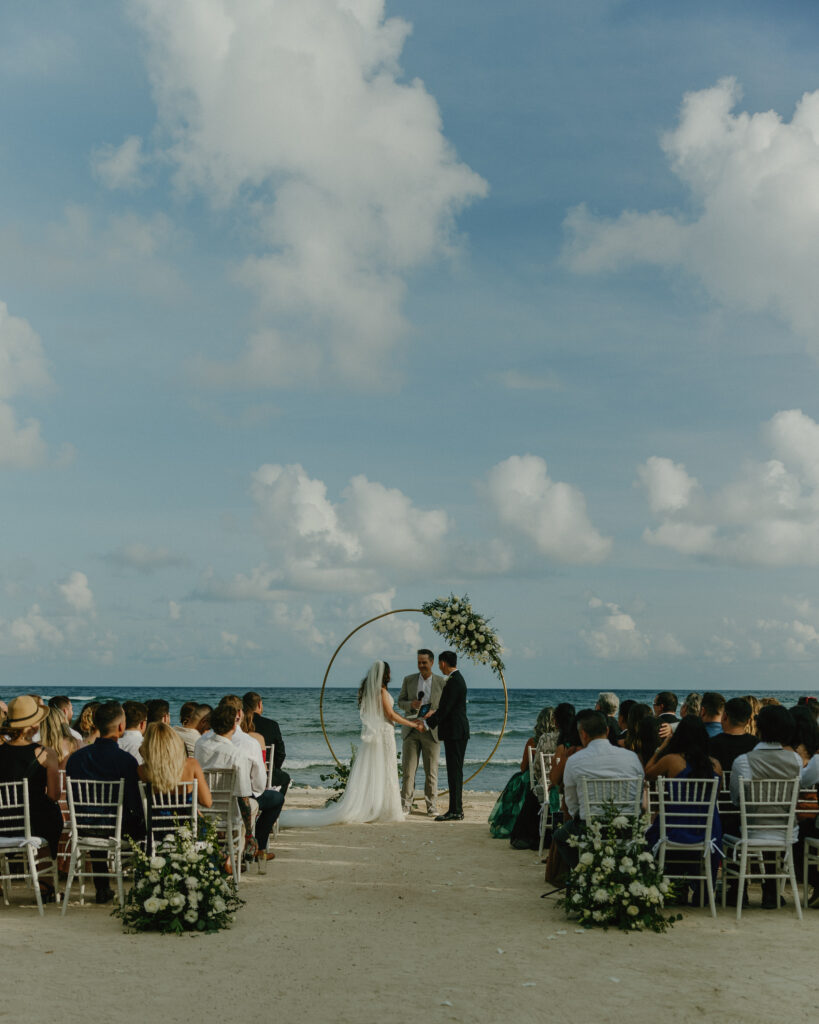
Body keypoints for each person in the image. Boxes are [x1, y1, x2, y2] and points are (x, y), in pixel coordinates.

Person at [280, 661, 423, 827]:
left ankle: (378, 806)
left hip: (380, 734)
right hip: (384, 734)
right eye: (389, 672)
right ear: (385, 674)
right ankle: (385, 808)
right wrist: (412, 724)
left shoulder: (372, 691)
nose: (391, 675)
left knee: (379, 770)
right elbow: (390, 715)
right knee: (385, 769)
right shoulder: (381, 691)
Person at [65, 701, 146, 904]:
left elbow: (71, 798)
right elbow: (133, 801)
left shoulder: (76, 759)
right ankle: (142, 884)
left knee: (97, 819)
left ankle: (103, 888)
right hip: (116, 828)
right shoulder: (126, 760)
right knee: (142, 825)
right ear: (121, 727)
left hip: (84, 827)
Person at [729, 704, 801, 909]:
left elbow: (736, 800)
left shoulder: (743, 761)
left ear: (758, 728)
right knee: (769, 826)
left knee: (733, 822)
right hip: (786, 831)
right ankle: (770, 892)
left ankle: (737, 891)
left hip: (752, 829)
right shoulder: (795, 760)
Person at [644, 716, 723, 903]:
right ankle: (700, 890)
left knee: (652, 833)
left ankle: (675, 886)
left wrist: (661, 748)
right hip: (706, 828)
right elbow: (714, 798)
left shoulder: (671, 760)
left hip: (676, 826)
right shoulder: (715, 765)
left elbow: (647, 773)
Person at [554, 710, 644, 868]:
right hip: (627, 828)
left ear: (583, 734)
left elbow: (572, 803)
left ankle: (584, 872)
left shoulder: (575, 761)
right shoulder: (631, 758)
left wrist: (584, 817)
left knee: (560, 837)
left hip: (591, 827)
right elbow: (640, 792)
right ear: (607, 731)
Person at [0, 696, 64, 901]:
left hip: (2, 823)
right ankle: (46, 885)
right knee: (50, 814)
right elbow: (54, 795)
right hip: (35, 824)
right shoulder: (46, 753)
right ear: (33, 726)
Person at [397, 648, 445, 815]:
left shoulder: (441, 682)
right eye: (419, 662)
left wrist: (433, 713)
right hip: (411, 730)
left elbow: (445, 708)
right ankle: (405, 805)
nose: (421, 666)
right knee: (408, 771)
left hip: (431, 731)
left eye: (424, 662)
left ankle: (431, 806)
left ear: (432, 663)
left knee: (431, 772)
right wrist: (411, 704)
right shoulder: (408, 680)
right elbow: (399, 702)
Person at [426, 652, 470, 822]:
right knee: (454, 772)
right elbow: (446, 707)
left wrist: (429, 722)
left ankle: (456, 811)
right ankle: (456, 809)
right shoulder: (456, 679)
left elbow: (446, 709)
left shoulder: (454, 681)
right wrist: (434, 714)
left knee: (455, 772)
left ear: (443, 663)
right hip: (456, 732)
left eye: (438, 663)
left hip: (456, 732)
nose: (438, 667)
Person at [138, 722, 212, 807]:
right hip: (187, 819)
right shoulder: (191, 765)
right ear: (175, 741)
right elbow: (207, 802)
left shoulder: (142, 770)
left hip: (156, 820)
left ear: (148, 746)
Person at [243, 692, 290, 795]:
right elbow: (280, 753)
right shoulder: (272, 725)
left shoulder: (239, 724)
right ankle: (273, 803)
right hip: (265, 773)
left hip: (242, 773)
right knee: (285, 778)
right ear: (259, 704)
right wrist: (273, 769)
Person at [709, 698, 756, 772]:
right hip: (747, 783)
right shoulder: (756, 745)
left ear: (725, 717)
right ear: (748, 721)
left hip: (719, 783)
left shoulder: (710, 744)